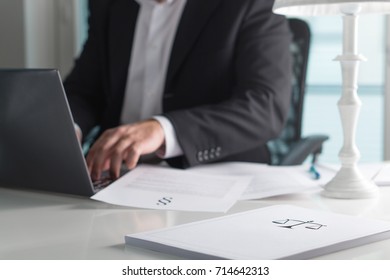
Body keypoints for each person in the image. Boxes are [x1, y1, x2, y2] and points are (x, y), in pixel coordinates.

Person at [63, 0, 292, 181]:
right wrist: (67, 128)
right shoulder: (108, 4)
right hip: (111, 173)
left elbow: (266, 106)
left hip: (212, 176)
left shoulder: (251, 3)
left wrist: (163, 130)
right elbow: (84, 90)